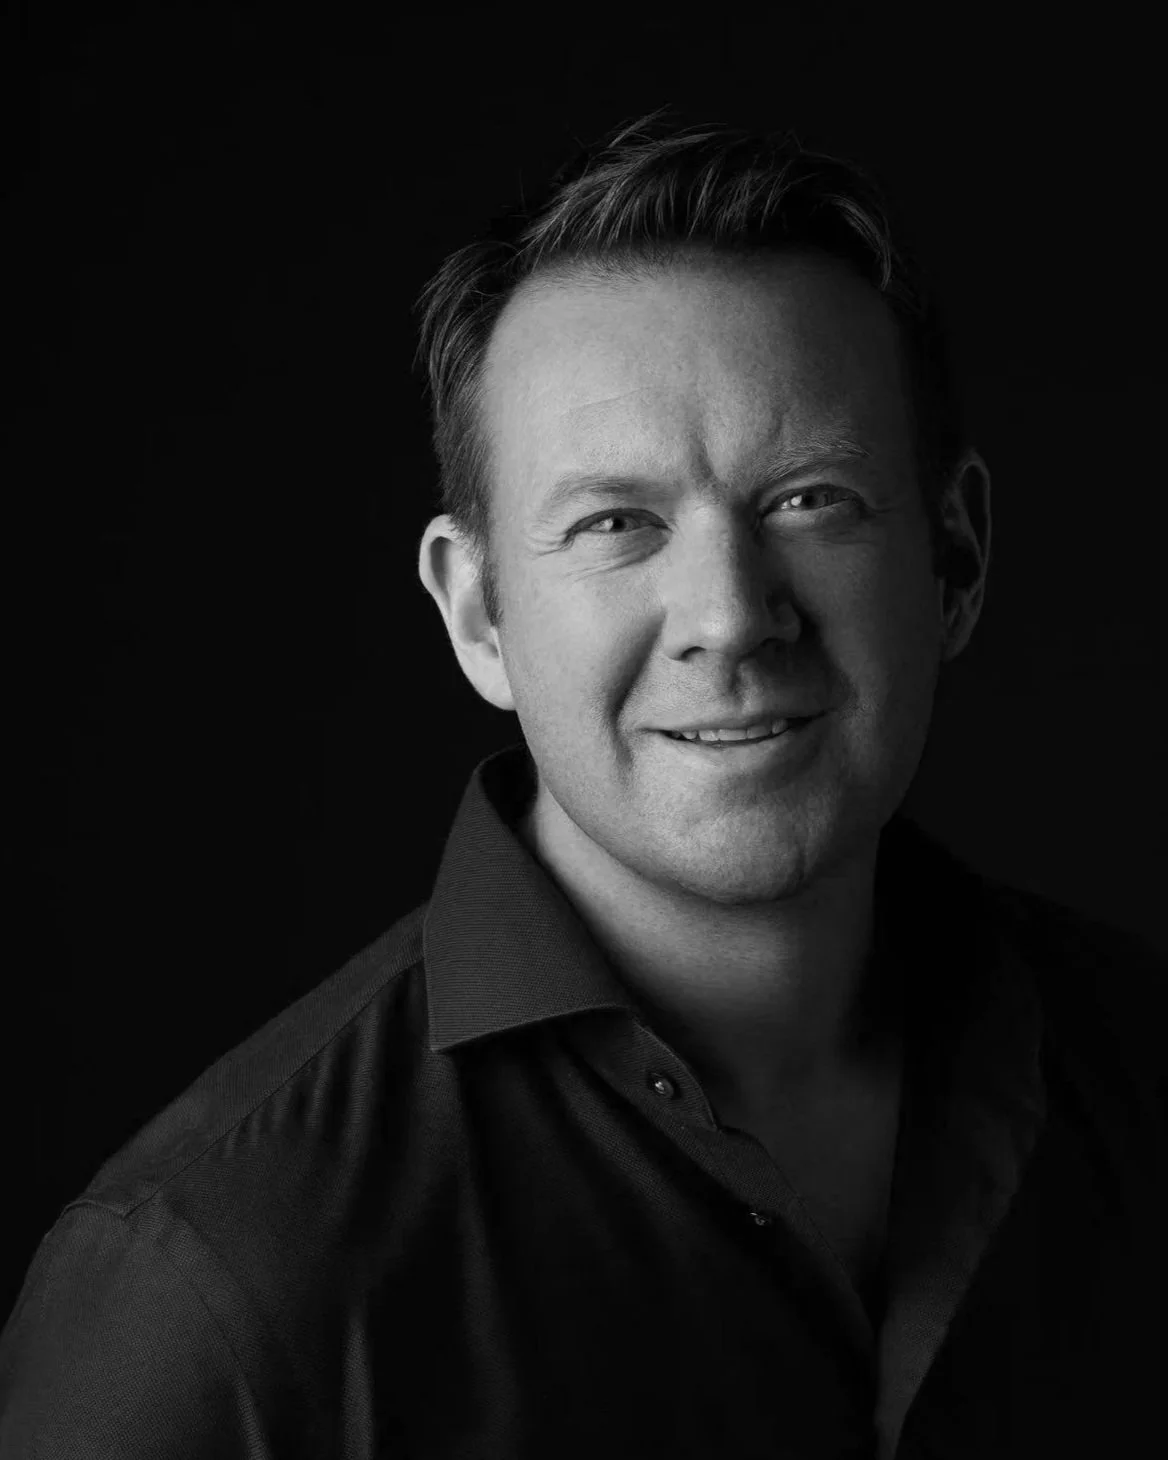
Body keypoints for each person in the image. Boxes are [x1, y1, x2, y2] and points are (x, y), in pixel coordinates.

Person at [2, 110, 1165, 1460]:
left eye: (810, 499)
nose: (729, 617)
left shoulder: (1140, 1074)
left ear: (955, 557)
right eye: (617, 524)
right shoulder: (215, 1284)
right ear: (478, 615)